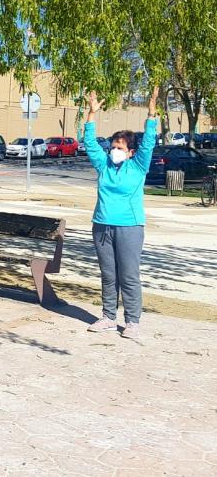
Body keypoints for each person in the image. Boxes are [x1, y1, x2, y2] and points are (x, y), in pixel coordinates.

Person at [84, 87, 158, 339]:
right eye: (113, 146)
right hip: (102, 226)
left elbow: (149, 141)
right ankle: (108, 316)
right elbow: (90, 144)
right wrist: (91, 114)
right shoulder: (104, 166)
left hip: (129, 227)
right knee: (108, 274)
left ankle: (132, 321)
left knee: (128, 275)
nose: (114, 150)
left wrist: (151, 111)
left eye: (120, 147)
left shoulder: (138, 166)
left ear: (130, 152)